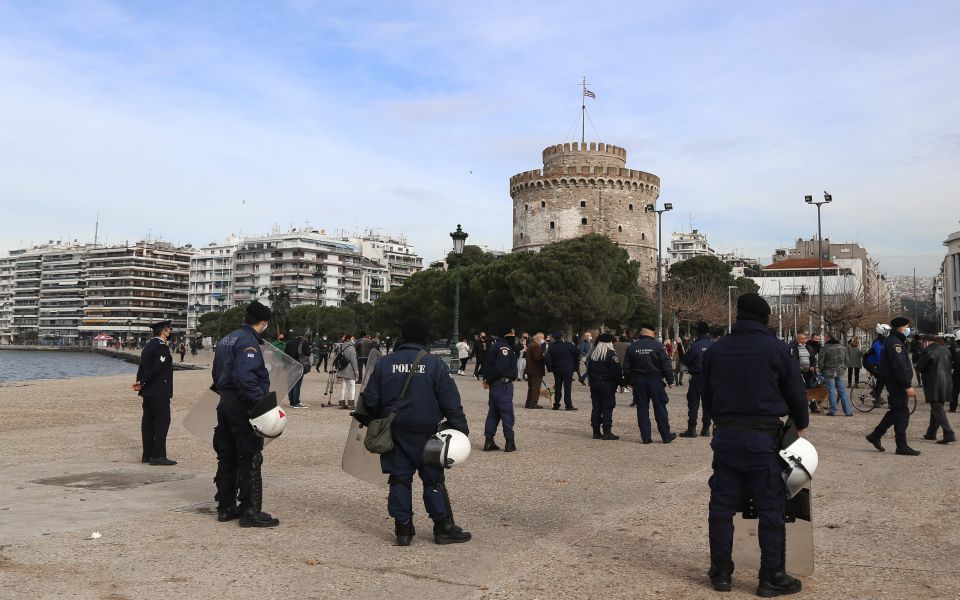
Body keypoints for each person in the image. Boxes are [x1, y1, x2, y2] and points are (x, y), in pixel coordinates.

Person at [700, 293, 808, 596]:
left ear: (739, 315)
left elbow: (706, 395)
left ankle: (721, 572)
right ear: (765, 318)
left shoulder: (716, 350)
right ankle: (770, 575)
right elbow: (796, 393)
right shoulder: (776, 349)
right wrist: (800, 424)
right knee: (770, 508)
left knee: (721, 506)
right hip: (762, 439)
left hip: (726, 437)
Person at [357, 317, 471, 546]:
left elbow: (369, 399)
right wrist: (461, 430)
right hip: (427, 433)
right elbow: (450, 402)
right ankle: (443, 527)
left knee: (399, 479)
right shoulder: (434, 364)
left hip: (395, 432)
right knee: (433, 481)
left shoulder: (384, 363)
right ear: (424, 339)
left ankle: (403, 530)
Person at [211, 301, 280, 527]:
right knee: (250, 456)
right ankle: (250, 510)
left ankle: (226, 506)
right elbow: (246, 377)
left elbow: (217, 373)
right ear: (263, 323)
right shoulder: (249, 342)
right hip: (242, 405)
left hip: (225, 402)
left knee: (226, 456)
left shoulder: (227, 339)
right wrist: (260, 405)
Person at [866, 317, 921, 456]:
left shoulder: (894, 341)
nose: (908, 329)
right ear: (901, 327)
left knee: (896, 412)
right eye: (907, 326)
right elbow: (899, 366)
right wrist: (907, 385)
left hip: (894, 382)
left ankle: (875, 435)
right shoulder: (895, 343)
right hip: (896, 383)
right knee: (902, 413)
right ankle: (901, 445)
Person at [132, 320, 176, 466]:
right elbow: (156, 369)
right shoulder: (161, 348)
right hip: (159, 391)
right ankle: (158, 455)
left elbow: (142, 367)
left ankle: (147, 454)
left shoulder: (148, 346)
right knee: (162, 421)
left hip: (148, 392)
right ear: (164, 331)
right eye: (169, 328)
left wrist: (140, 382)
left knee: (148, 423)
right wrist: (143, 381)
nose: (170, 331)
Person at [623, 325, 676, 444]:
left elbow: (626, 367)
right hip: (655, 380)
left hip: (639, 380)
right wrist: (670, 380)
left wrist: (630, 382)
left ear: (641, 333)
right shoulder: (657, 346)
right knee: (660, 408)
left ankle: (646, 437)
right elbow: (666, 364)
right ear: (652, 333)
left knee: (642, 409)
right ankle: (666, 436)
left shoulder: (632, 346)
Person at [482, 326, 519, 452]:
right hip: (503, 384)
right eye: (512, 333)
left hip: (495, 385)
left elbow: (488, 365)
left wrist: (487, 380)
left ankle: (489, 441)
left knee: (493, 413)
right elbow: (500, 366)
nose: (513, 336)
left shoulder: (495, 345)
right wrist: (489, 380)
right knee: (507, 413)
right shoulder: (504, 347)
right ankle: (509, 442)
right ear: (506, 335)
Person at [917, 335, 956, 444]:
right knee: (936, 407)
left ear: (927, 342)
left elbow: (920, 366)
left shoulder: (927, 351)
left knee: (937, 408)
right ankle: (931, 433)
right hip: (946, 382)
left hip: (933, 383)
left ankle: (949, 433)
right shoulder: (946, 350)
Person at [585, 332, 622, 440]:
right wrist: (621, 383)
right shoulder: (611, 354)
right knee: (607, 407)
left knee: (596, 407)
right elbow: (616, 372)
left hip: (595, 384)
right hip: (607, 385)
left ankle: (596, 431)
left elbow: (589, 371)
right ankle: (607, 431)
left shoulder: (594, 355)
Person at [680, 322, 713, 438]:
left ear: (698, 332)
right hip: (710, 377)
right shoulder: (713, 345)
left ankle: (692, 428)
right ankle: (706, 429)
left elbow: (686, 360)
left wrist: (681, 346)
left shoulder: (695, 346)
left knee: (693, 402)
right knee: (707, 403)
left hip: (697, 376)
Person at [545, 331, 581, 411]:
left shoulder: (552, 346)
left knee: (558, 387)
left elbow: (547, 358)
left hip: (557, 369)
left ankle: (556, 404)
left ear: (554, 338)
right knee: (567, 387)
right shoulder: (568, 345)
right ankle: (568, 405)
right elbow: (578, 352)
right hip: (567, 369)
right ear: (562, 337)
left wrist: (550, 368)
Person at [818, 333, 852, 416]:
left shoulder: (824, 348)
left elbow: (821, 362)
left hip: (828, 371)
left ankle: (833, 411)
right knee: (842, 391)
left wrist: (821, 371)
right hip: (840, 371)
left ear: (828, 338)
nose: (824, 339)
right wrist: (843, 368)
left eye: (825, 337)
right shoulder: (843, 348)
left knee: (831, 391)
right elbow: (847, 361)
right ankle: (848, 411)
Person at [863, 325, 889, 401]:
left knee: (883, 377)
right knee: (881, 376)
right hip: (868, 362)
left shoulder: (884, 343)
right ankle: (877, 396)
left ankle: (875, 393)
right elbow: (879, 357)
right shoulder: (877, 344)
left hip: (876, 363)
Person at [284, 333, 310, 409]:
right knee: (297, 384)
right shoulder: (304, 342)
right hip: (298, 364)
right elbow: (307, 352)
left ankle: (291, 401)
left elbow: (285, 354)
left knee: (291, 383)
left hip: (289, 364)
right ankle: (296, 402)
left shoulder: (289, 342)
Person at [336, 334, 360, 409]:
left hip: (342, 368)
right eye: (352, 339)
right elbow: (353, 360)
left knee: (343, 386)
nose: (354, 340)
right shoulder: (352, 347)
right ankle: (351, 404)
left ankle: (341, 403)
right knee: (352, 386)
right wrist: (356, 370)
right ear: (348, 339)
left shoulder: (341, 346)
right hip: (350, 369)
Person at [524, 332, 546, 409]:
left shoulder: (530, 344)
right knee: (536, 388)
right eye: (542, 338)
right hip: (536, 370)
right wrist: (544, 356)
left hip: (530, 369)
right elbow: (537, 358)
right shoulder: (536, 346)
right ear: (538, 338)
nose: (543, 339)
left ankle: (528, 403)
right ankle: (533, 403)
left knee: (531, 388)